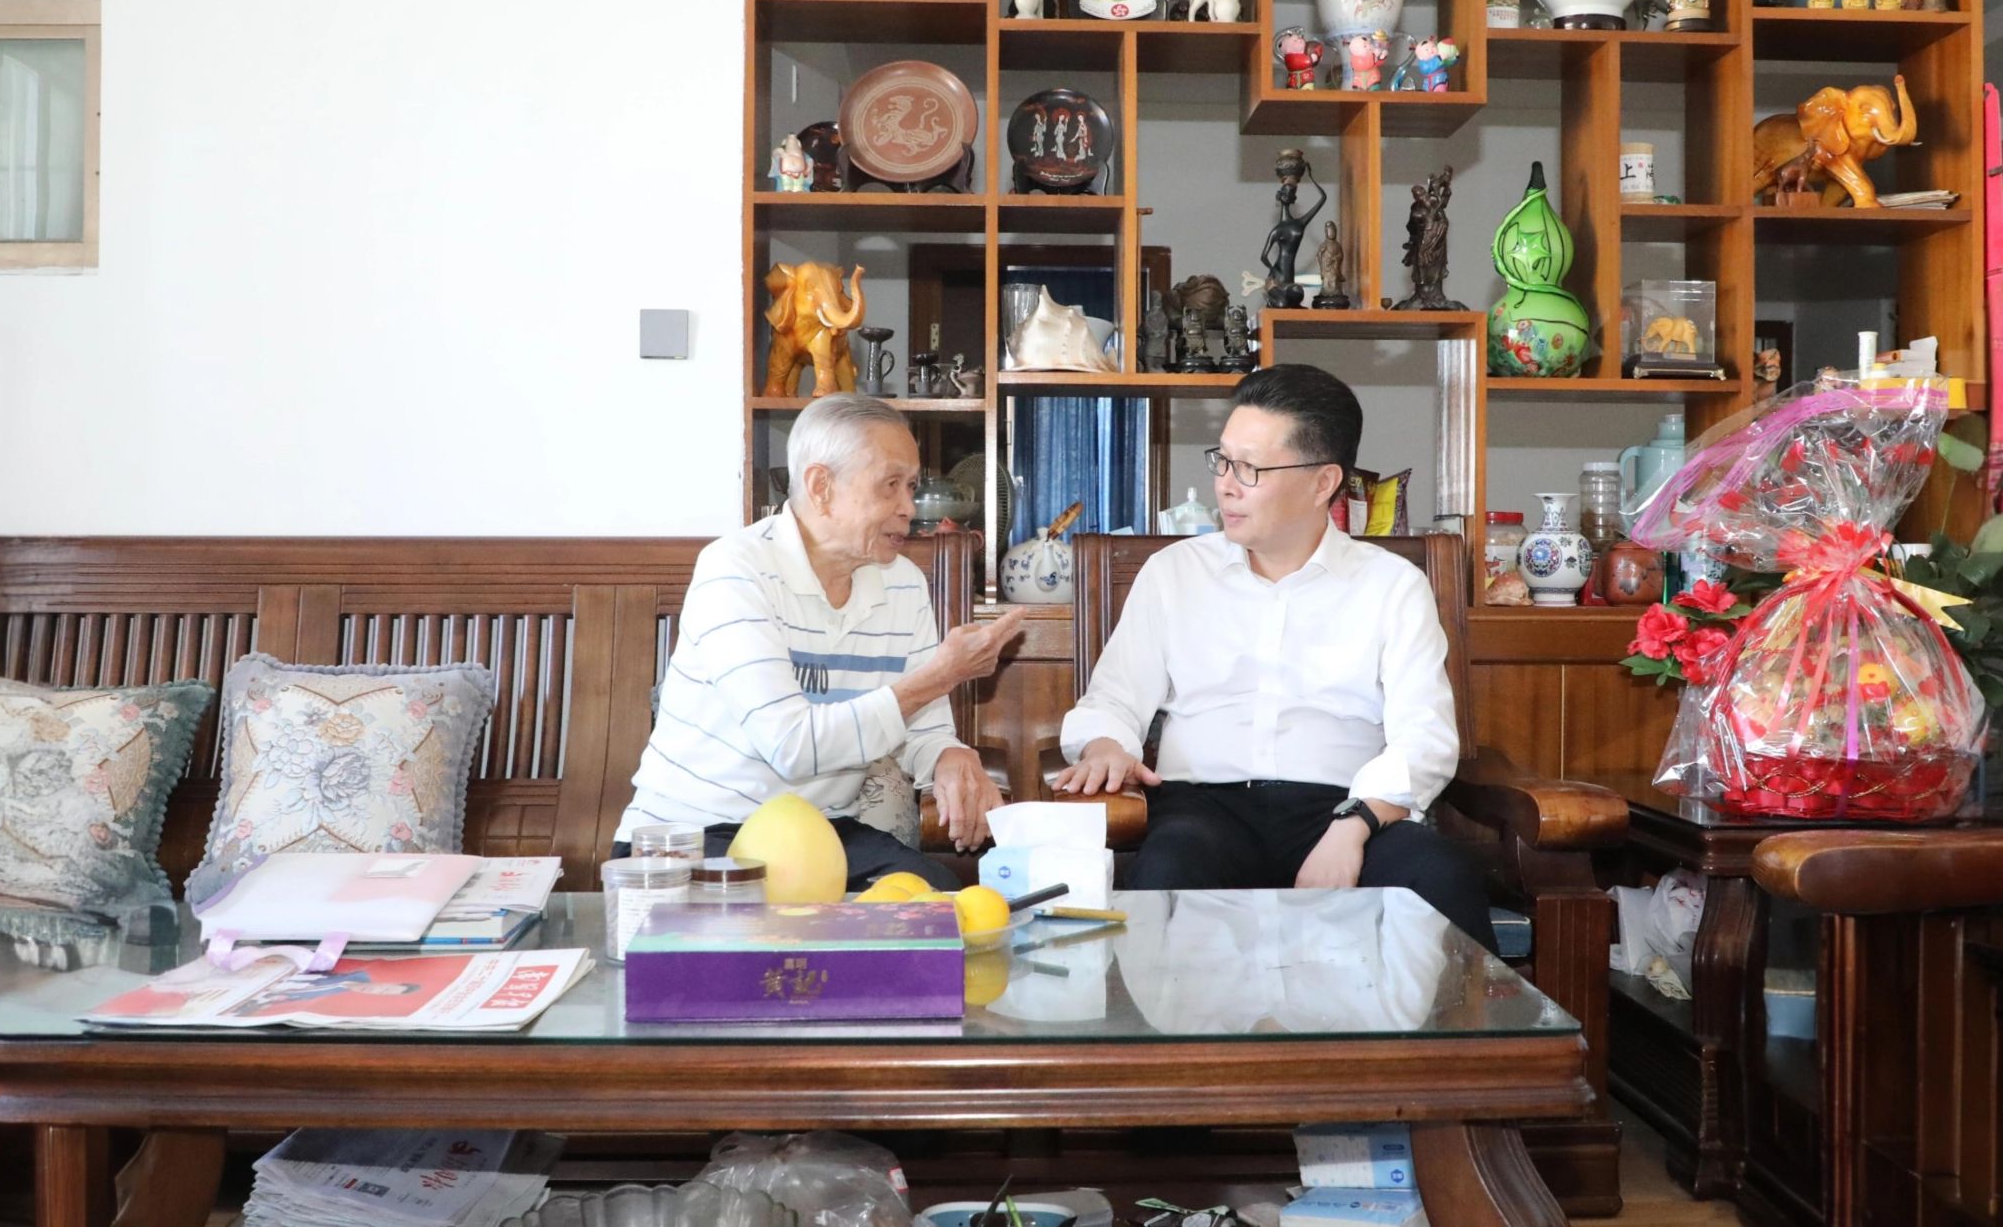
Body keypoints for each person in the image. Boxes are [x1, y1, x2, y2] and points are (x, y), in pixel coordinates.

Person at [1052, 364, 1496, 949]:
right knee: (1169, 873)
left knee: (1438, 876)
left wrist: (1353, 828)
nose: (1226, 485)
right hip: (1200, 812)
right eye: (1223, 461)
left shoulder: (1391, 586)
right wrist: (1107, 745)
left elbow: (1424, 737)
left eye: (1250, 469)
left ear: (1323, 482)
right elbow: (1113, 698)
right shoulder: (1174, 574)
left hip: (1344, 808)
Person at [612, 394, 1025, 890]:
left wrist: (948, 755)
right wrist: (943, 675)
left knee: (940, 902)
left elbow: (922, 727)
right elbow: (790, 746)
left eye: (911, 486)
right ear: (821, 487)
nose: (908, 508)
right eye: (890, 484)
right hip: (694, 833)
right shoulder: (736, 569)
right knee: (773, 924)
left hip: (820, 831)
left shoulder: (903, 583)